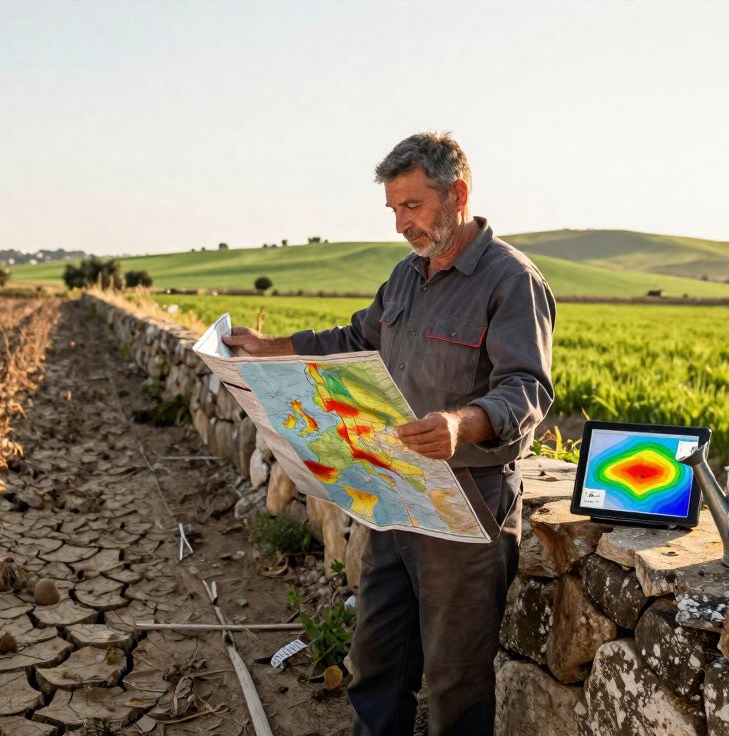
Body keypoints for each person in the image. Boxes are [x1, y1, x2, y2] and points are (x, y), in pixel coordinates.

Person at [223, 132, 555, 735]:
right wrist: (267, 349)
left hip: (470, 503)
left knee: (457, 680)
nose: (401, 223)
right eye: (394, 210)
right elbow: (353, 341)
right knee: (378, 659)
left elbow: (527, 389)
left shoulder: (511, 281)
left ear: (457, 193)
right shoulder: (405, 277)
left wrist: (461, 423)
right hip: (395, 492)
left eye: (413, 206)